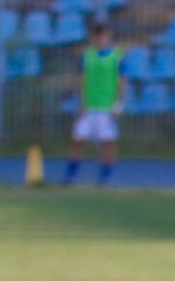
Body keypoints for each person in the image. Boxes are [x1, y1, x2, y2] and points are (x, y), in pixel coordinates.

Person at [64, 23, 124, 185]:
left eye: (102, 34)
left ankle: (105, 176)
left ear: (108, 36)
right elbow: (81, 80)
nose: (99, 38)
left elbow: (122, 82)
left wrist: (118, 106)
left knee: (108, 142)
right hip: (89, 106)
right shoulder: (86, 56)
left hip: (107, 107)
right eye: (97, 35)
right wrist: (81, 103)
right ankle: (70, 175)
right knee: (77, 139)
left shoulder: (117, 56)